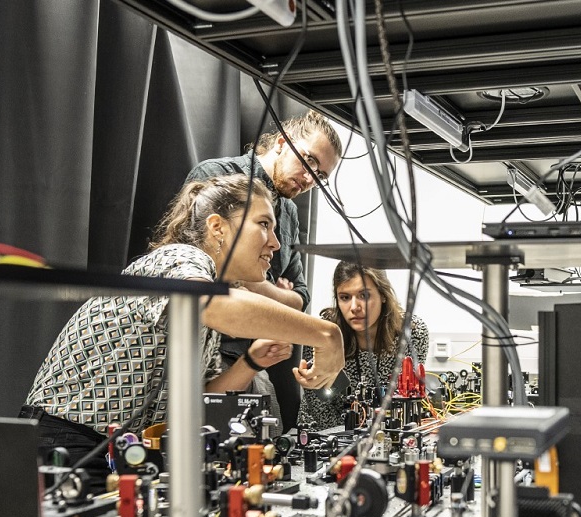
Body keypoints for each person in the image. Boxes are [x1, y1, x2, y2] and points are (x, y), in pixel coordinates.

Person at [23, 174, 344, 477]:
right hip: (64, 440)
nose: (275, 243)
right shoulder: (178, 258)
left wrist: (252, 361)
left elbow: (201, 397)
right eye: (263, 224)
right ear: (217, 227)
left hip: (113, 449)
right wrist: (326, 333)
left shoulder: (204, 292)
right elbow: (216, 304)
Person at [186, 110, 343, 430]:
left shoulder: (289, 211)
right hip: (205, 354)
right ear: (283, 143)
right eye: (309, 161)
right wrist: (272, 291)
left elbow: (300, 296)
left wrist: (254, 284)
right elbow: (210, 281)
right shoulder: (220, 177)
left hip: (256, 358)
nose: (311, 179)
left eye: (321, 176)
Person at [298, 262, 429, 431]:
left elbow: (406, 400)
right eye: (345, 297)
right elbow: (322, 411)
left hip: (387, 433)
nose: (354, 307)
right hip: (322, 435)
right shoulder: (322, 335)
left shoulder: (412, 333)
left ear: (383, 295)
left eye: (364, 296)